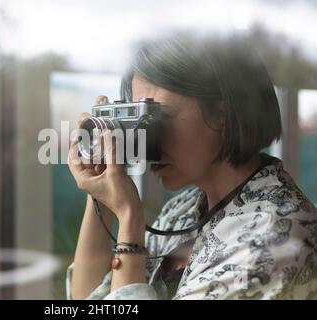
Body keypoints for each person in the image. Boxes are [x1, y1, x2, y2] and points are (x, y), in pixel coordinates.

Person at [66, 35, 317, 300]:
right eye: (140, 119)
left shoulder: (273, 238)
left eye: (158, 117)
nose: (146, 136)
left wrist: (129, 217)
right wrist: (99, 194)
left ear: (223, 113)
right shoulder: (185, 210)